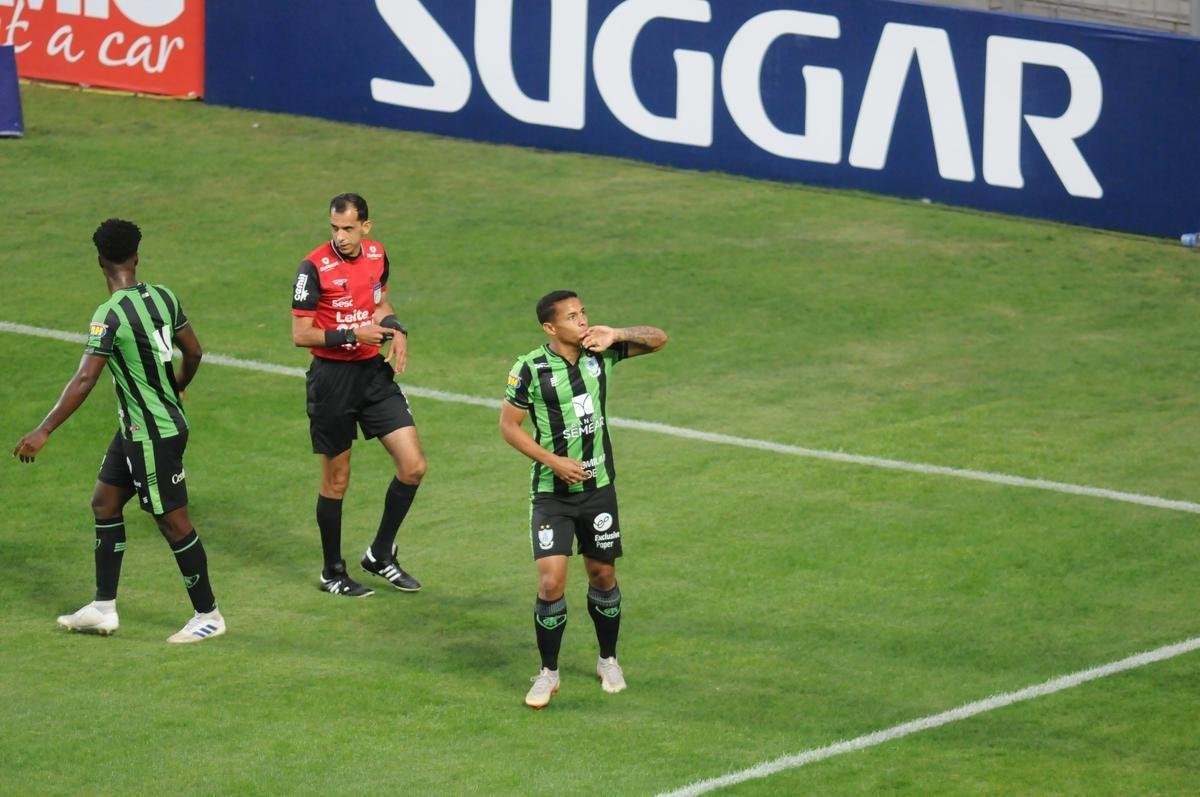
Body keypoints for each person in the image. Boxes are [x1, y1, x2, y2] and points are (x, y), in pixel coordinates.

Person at [12, 218, 225, 644]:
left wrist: (44, 429)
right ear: (136, 257)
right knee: (105, 502)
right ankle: (103, 608)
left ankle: (209, 614)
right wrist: (177, 386)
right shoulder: (163, 296)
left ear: (99, 262)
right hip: (137, 427)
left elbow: (85, 379)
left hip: (153, 433)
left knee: (173, 522)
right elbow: (195, 350)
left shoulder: (108, 316)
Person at [500, 290, 667, 709]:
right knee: (551, 581)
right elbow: (509, 426)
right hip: (551, 495)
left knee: (602, 577)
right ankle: (548, 673)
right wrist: (553, 460)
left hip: (598, 491)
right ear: (550, 328)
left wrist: (618, 333)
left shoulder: (601, 351)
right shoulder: (530, 368)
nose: (582, 320)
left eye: (583, 312)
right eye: (572, 316)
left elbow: (660, 338)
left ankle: (608, 660)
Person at [290, 193, 426, 597]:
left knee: (413, 465)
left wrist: (397, 328)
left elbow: (379, 303)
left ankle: (380, 554)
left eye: (348, 228)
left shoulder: (378, 255)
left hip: (372, 375)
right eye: (334, 228)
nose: (341, 236)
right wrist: (351, 333)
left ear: (366, 226)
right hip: (332, 380)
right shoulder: (312, 268)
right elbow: (301, 334)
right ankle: (332, 571)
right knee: (337, 479)